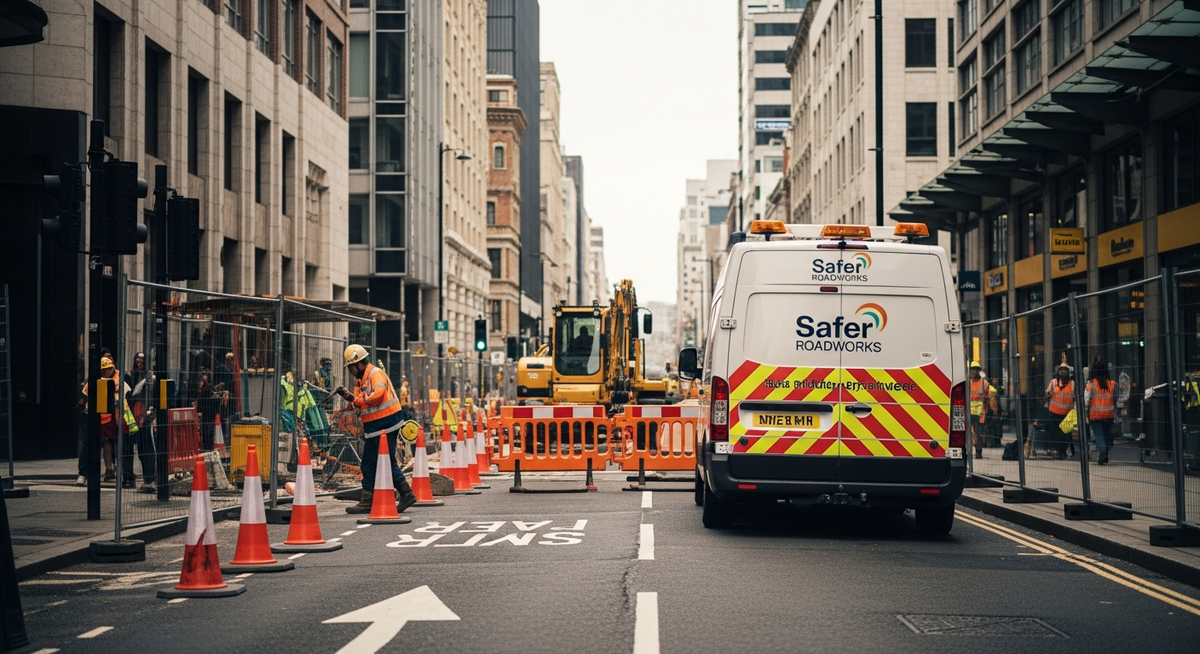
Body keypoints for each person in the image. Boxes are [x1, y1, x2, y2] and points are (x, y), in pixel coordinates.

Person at [336, 344, 417, 514]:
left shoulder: (375, 373)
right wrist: (352, 400)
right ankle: (369, 498)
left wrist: (361, 400)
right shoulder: (363, 379)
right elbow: (361, 401)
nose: (350, 371)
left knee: (386, 460)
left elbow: (378, 394)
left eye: (350, 367)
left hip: (386, 424)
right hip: (376, 427)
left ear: (358, 363)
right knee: (369, 463)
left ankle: (405, 493)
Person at [79, 357, 128, 482]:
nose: (105, 372)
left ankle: (111, 470)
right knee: (88, 444)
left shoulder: (118, 379)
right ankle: (84, 473)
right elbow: (84, 397)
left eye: (107, 369)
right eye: (103, 370)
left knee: (110, 443)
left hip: (111, 418)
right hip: (94, 417)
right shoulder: (93, 379)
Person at [122, 352, 156, 491]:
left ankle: (149, 479)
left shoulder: (151, 377)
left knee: (145, 449)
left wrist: (151, 410)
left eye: (142, 358)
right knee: (127, 448)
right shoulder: (128, 375)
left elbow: (152, 396)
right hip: (129, 415)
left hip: (144, 416)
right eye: (137, 358)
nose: (139, 361)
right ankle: (128, 478)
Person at [1085, 362, 1117, 465]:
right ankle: (1106, 453)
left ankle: (1102, 453)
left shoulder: (1091, 384)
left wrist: (1085, 411)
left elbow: (1086, 400)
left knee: (1099, 434)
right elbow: (1116, 398)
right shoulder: (1112, 383)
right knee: (1107, 434)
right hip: (1109, 414)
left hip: (1096, 414)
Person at [1043, 363, 1075, 459]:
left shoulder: (1072, 383)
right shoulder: (1053, 382)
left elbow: (1075, 396)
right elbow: (1047, 393)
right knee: (1056, 433)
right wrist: (1048, 395)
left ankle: (1063, 451)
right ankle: (1059, 451)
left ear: (1068, 372)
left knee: (1065, 433)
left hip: (1067, 413)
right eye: (1061, 370)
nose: (1063, 372)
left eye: (1065, 370)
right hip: (1054, 412)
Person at [969, 362, 990, 459]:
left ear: (978, 371)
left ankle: (978, 451)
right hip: (970, 410)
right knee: (970, 432)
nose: (973, 372)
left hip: (979, 412)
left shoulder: (984, 382)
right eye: (972, 369)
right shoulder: (968, 382)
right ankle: (969, 450)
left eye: (975, 369)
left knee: (979, 432)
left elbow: (987, 396)